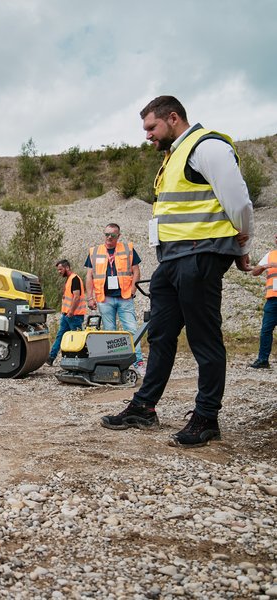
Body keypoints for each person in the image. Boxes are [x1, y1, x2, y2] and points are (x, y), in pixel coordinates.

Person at [101, 95, 254, 448]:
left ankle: (206, 418)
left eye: (151, 127)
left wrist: (242, 250)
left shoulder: (207, 147)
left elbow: (240, 203)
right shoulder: (172, 159)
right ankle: (143, 407)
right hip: (172, 261)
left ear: (173, 118)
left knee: (204, 339)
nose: (147, 136)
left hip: (200, 256)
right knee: (161, 335)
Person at [84, 223, 145, 375]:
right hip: (105, 299)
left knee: (131, 330)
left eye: (112, 235)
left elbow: (136, 271)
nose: (109, 237)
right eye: (106, 234)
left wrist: (132, 290)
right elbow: (89, 276)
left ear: (119, 236)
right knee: (109, 333)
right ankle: (114, 363)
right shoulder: (95, 252)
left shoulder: (128, 249)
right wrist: (89, 298)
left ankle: (138, 362)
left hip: (124, 297)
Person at [47, 259, 87, 366]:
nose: (59, 271)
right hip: (67, 315)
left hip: (74, 315)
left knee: (78, 339)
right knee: (60, 336)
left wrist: (71, 311)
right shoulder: (69, 279)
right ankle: (51, 357)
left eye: (60, 269)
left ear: (67, 268)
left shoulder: (74, 279)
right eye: (58, 270)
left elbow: (77, 297)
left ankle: (83, 359)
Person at [250, 233, 277, 369]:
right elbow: (254, 272)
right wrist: (265, 266)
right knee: (266, 330)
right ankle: (263, 360)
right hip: (272, 300)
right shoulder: (270, 255)